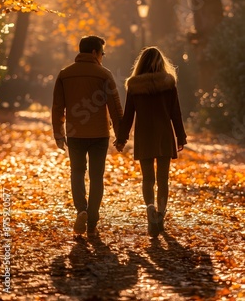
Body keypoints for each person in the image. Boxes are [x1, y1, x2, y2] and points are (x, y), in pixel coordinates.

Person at [52, 35, 123, 237]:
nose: (103, 56)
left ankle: (81, 210)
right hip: (100, 134)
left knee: (77, 173)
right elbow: (115, 108)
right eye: (102, 52)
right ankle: (92, 219)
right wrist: (121, 136)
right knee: (96, 176)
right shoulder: (104, 74)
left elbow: (58, 106)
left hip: (75, 134)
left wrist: (59, 133)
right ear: (94, 53)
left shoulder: (65, 74)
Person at [114, 46, 187, 238]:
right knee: (163, 180)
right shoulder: (169, 83)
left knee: (148, 178)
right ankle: (160, 217)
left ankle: (150, 207)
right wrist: (181, 136)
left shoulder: (134, 85)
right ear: (161, 62)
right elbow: (175, 113)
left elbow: (128, 115)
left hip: (144, 135)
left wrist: (121, 139)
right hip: (164, 134)